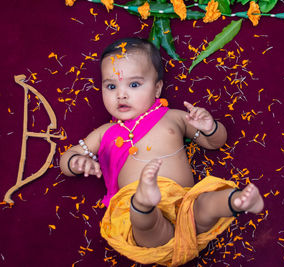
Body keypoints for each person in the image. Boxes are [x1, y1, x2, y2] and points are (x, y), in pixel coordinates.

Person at [60, 37, 264, 266]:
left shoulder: (173, 118)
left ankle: (236, 201)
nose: (121, 94)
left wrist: (210, 128)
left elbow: (215, 142)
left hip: (183, 202)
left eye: (134, 85)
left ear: (157, 87)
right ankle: (145, 204)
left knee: (204, 204)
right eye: (111, 86)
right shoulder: (105, 132)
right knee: (144, 223)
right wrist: (77, 162)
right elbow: (66, 158)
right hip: (137, 205)